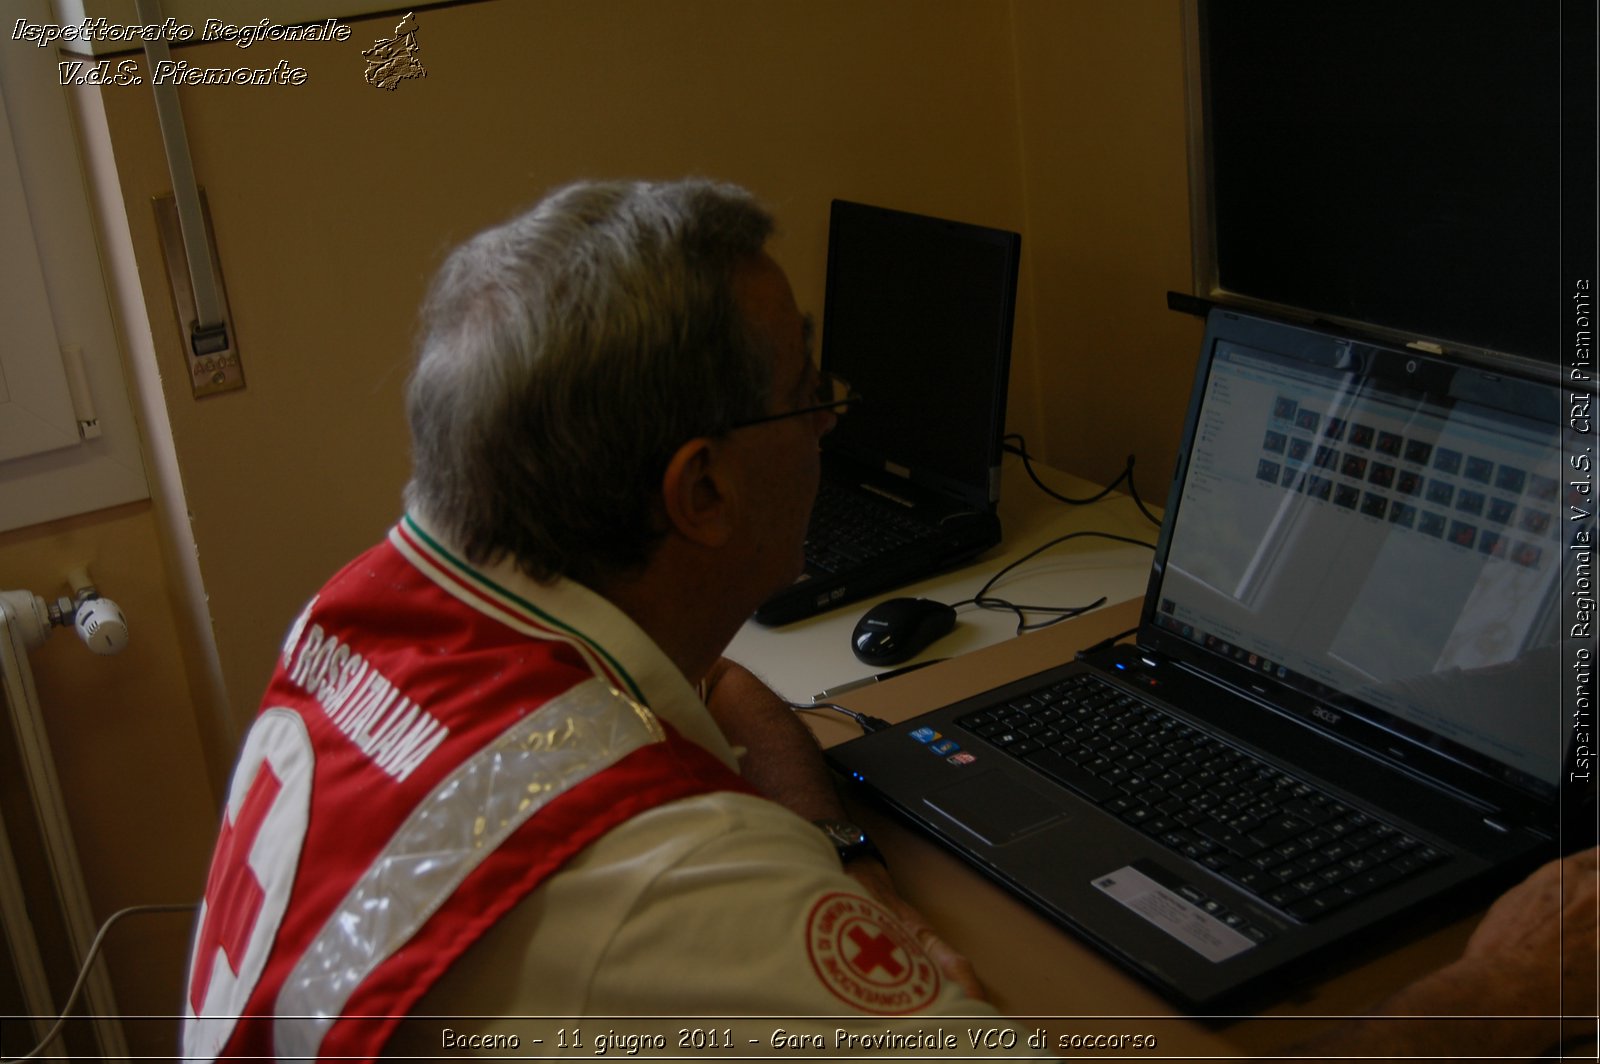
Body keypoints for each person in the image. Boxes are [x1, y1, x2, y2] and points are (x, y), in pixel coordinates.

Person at [180, 178, 1596, 1060]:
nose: (835, 415)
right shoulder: (671, 889)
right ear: (704, 489)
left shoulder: (375, 615)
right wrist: (1496, 991)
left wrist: (832, 851)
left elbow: (699, 734)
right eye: (810, 389)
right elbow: (687, 896)